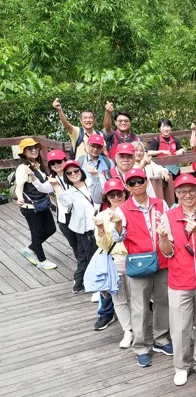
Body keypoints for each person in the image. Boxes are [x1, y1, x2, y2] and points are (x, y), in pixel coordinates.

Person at [158, 174, 196, 386]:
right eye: (182, 191)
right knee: (180, 327)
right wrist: (164, 238)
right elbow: (167, 253)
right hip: (179, 281)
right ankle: (181, 366)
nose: (188, 195)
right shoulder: (168, 216)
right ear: (176, 193)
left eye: (192, 190)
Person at [111, 168, 172, 367]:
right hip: (139, 262)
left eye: (140, 181)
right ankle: (140, 346)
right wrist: (118, 225)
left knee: (163, 301)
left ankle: (161, 339)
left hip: (162, 259)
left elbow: (170, 227)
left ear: (146, 182)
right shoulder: (123, 209)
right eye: (132, 182)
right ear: (127, 187)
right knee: (139, 307)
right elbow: (117, 237)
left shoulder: (161, 203)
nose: (137, 185)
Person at [51, 160, 104, 308]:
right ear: (66, 176)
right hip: (84, 229)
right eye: (69, 173)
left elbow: (101, 194)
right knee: (90, 256)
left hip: (98, 225)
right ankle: (93, 286)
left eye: (76, 171)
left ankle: (80, 281)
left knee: (88, 255)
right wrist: (55, 186)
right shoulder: (69, 192)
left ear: (81, 171)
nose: (73, 174)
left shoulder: (91, 184)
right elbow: (64, 203)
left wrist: (95, 175)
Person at [94, 178, 134, 348]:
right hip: (115, 259)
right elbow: (102, 244)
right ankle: (128, 330)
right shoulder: (102, 216)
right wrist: (102, 229)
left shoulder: (132, 210)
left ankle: (138, 328)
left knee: (137, 297)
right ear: (107, 197)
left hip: (134, 258)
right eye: (112, 194)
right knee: (119, 298)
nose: (117, 197)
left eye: (119, 193)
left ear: (125, 193)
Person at [14, 138, 57, 270]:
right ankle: (41, 260)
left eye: (35, 148)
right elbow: (19, 185)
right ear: (23, 152)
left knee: (51, 229)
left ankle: (30, 249)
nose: (34, 150)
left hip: (42, 204)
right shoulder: (23, 167)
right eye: (30, 148)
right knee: (37, 233)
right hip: (30, 207)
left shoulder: (37, 165)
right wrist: (19, 198)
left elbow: (43, 186)